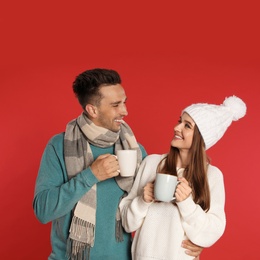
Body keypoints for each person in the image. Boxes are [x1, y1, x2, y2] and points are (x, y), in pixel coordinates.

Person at [33, 68, 203, 260]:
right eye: (116, 105)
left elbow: (156, 210)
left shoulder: (134, 149)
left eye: (124, 102)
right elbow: (43, 211)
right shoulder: (60, 146)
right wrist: (91, 175)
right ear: (92, 110)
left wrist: (193, 241)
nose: (125, 111)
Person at [119, 95, 247, 260]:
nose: (176, 127)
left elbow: (211, 232)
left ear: (202, 137)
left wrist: (186, 203)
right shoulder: (152, 163)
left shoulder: (212, 176)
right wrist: (142, 201)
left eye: (187, 125)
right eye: (179, 121)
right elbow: (126, 223)